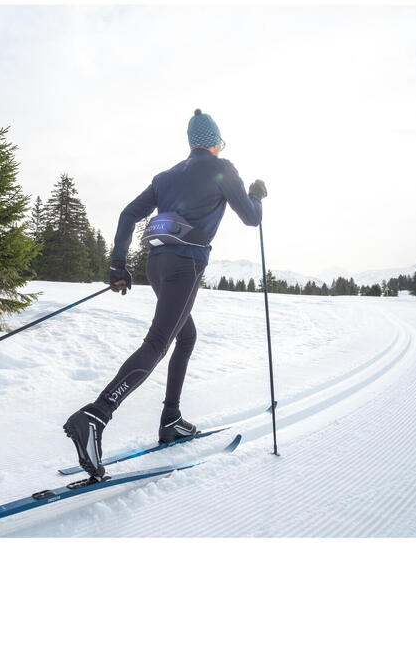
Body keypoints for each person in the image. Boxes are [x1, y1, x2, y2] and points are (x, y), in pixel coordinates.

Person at [63, 108, 267, 479]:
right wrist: (256, 196)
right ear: (215, 143)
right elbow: (251, 218)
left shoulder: (166, 176)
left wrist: (117, 265)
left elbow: (127, 214)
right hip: (185, 266)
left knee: (185, 336)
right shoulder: (223, 170)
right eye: (220, 142)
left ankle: (171, 418)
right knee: (158, 342)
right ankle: (95, 416)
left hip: (156, 266)